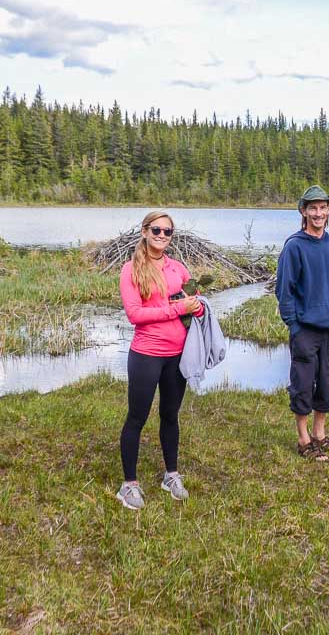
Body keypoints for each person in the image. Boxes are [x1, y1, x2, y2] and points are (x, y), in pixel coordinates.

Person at [116, 211, 203, 510]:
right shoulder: (131, 269)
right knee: (137, 417)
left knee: (170, 414)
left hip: (176, 356)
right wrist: (176, 310)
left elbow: (194, 302)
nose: (162, 236)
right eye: (156, 230)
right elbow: (135, 315)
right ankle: (129, 485)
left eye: (167, 232)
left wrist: (198, 307)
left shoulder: (177, 268)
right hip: (146, 354)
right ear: (144, 231)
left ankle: (171, 475)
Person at [275, 185, 329, 461]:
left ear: (328, 211)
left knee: (326, 381)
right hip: (305, 330)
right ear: (303, 212)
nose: (318, 213)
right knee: (303, 383)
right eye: (313, 208)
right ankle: (303, 439)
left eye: (323, 208)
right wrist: (294, 326)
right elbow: (284, 291)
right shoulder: (294, 246)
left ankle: (320, 434)